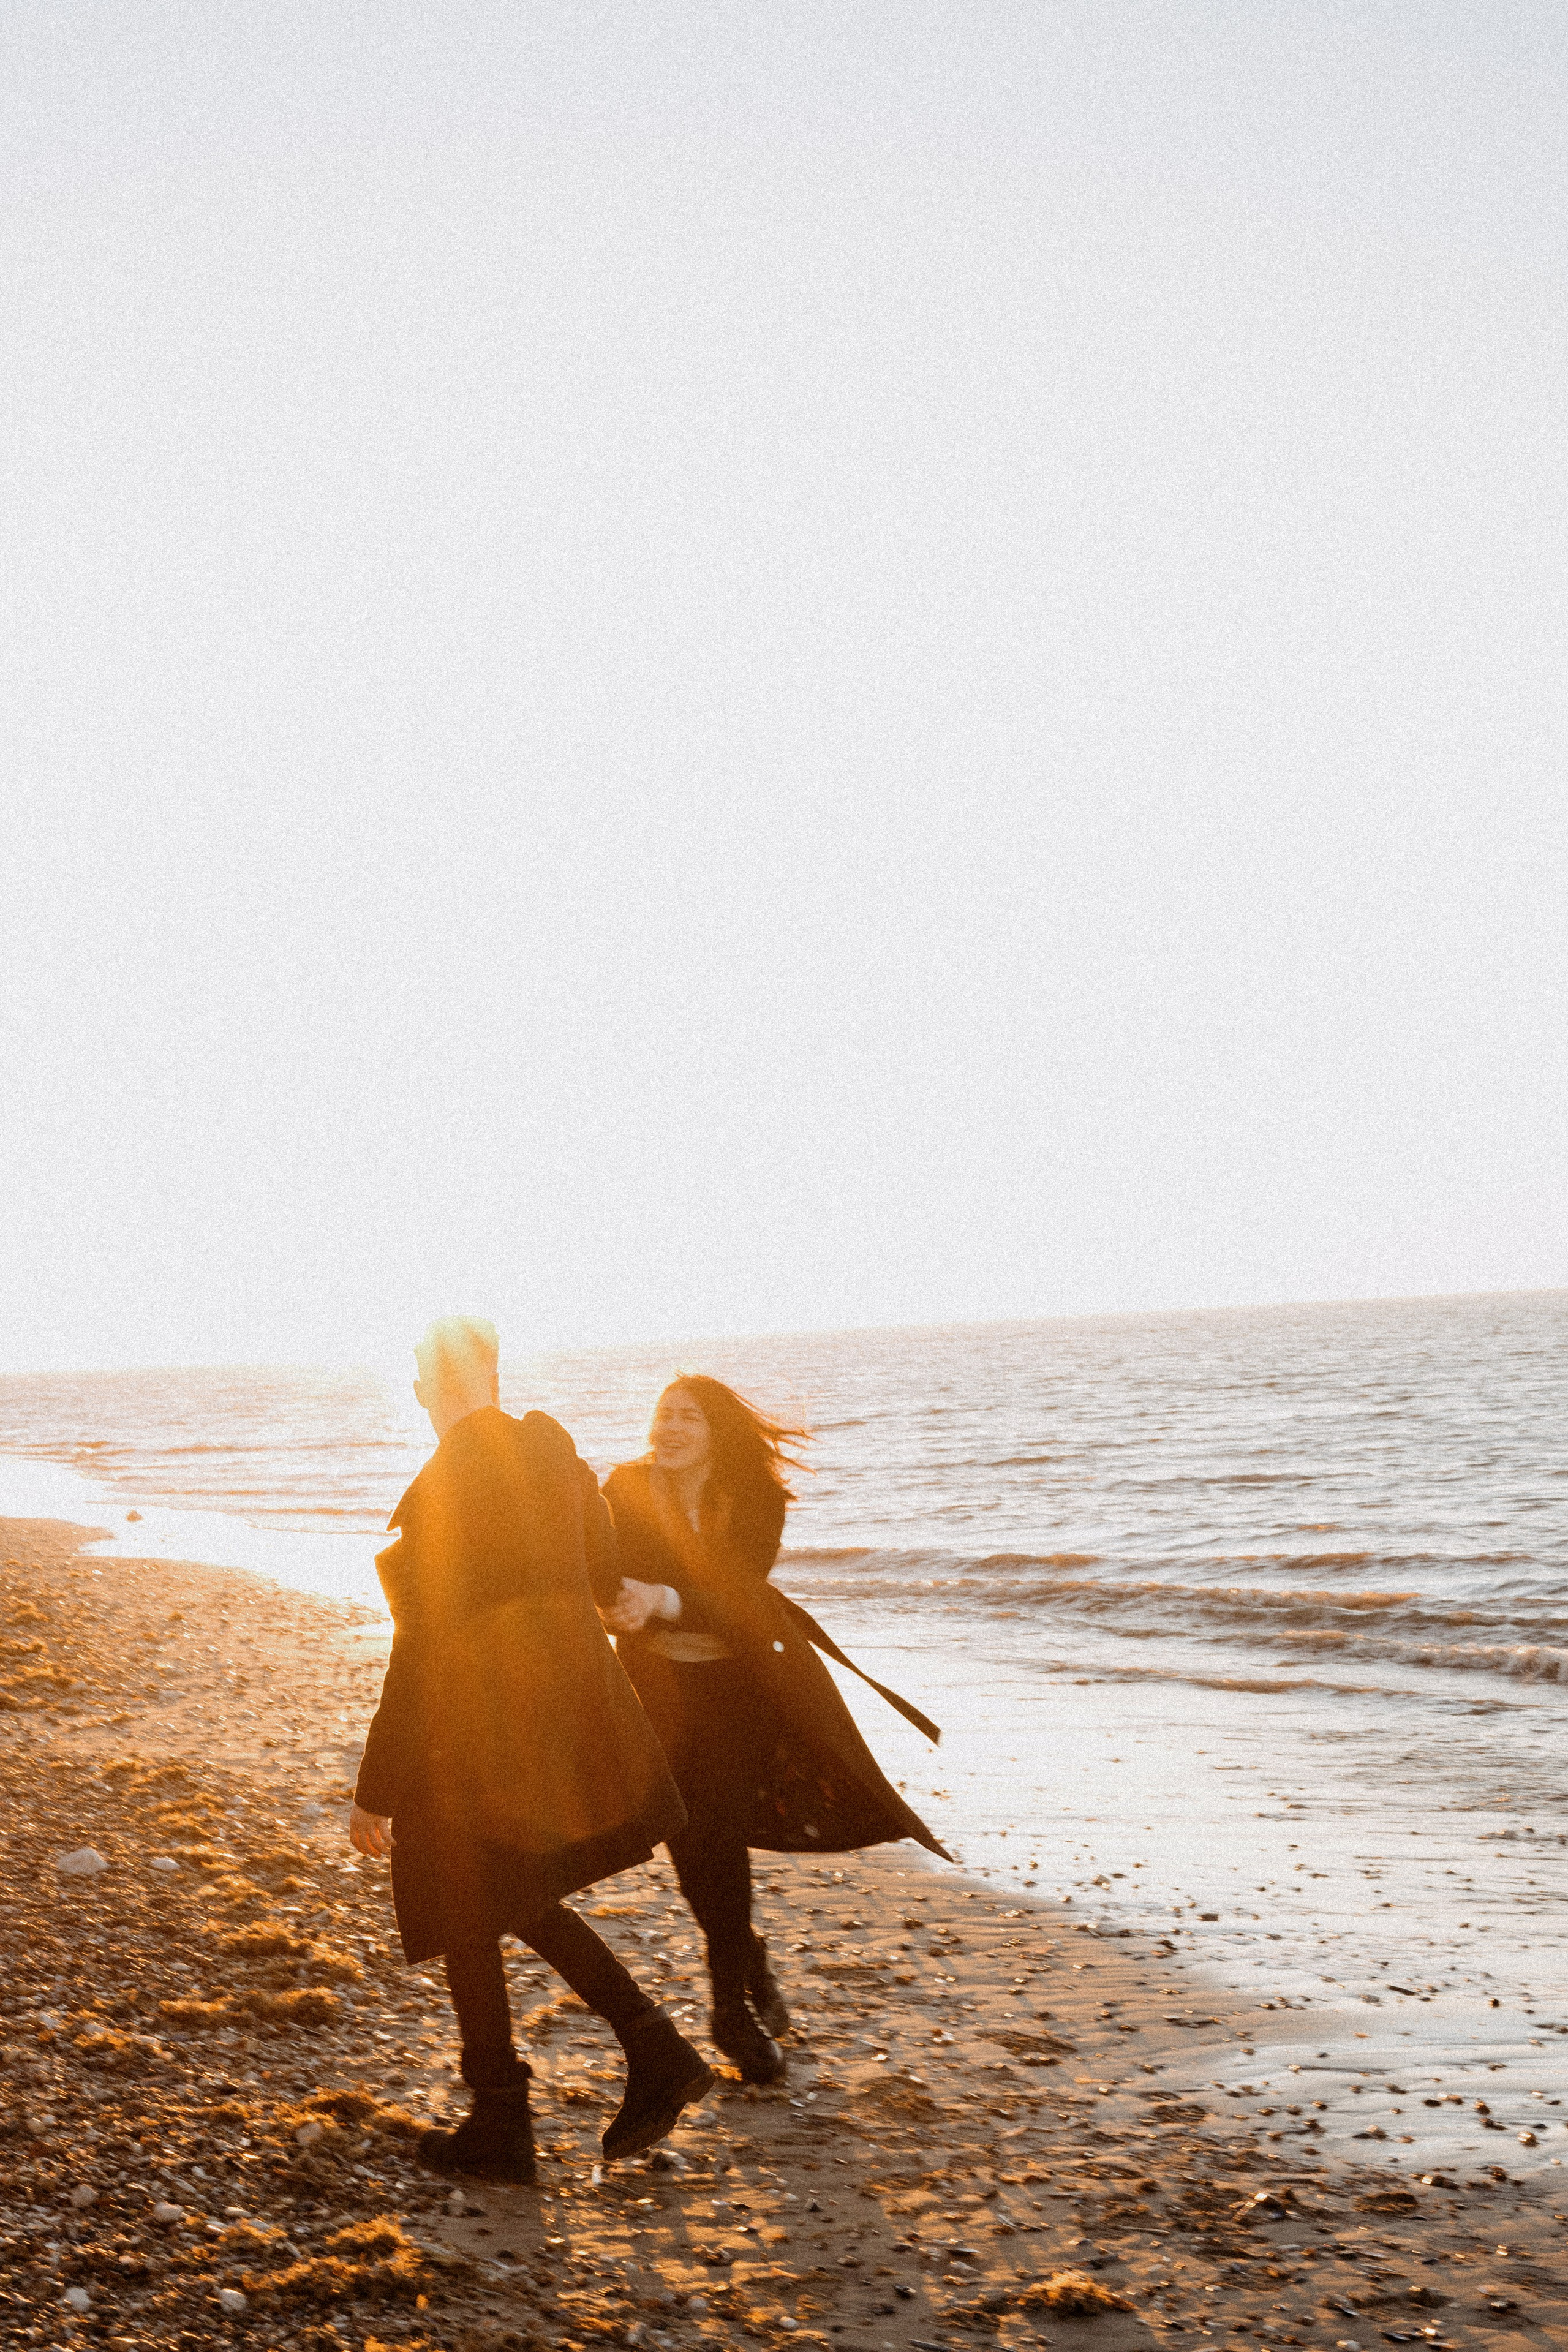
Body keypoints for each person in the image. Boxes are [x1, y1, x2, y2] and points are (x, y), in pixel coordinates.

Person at [350, 1317, 714, 2184]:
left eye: (418, 1374)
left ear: (443, 1382)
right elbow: (599, 1574)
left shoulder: (448, 1491)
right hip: (556, 1718)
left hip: (475, 1726)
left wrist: (377, 1787)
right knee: (485, 1896)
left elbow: (422, 1649)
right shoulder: (556, 1460)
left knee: (471, 1889)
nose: (414, 1390)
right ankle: (530, 2102)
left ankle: (536, 2102)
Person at [600, 1375, 947, 2084]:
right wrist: (614, 1603)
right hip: (655, 1688)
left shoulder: (756, 1497)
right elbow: (605, 1567)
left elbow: (737, 1596)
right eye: (662, 1414)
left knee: (718, 1831)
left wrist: (658, 1597)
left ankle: (730, 2009)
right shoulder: (625, 1486)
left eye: (687, 1417)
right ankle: (746, 1955)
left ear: (716, 1431)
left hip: (739, 1689)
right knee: (686, 1836)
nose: (669, 1427)